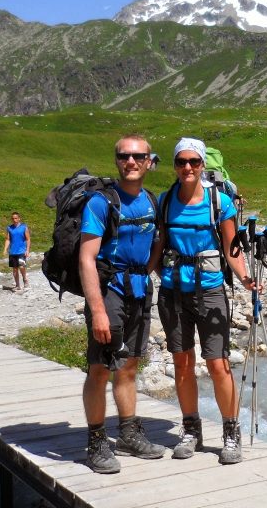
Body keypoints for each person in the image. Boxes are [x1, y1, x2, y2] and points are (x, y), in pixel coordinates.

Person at [148, 137, 258, 465]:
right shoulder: (165, 201)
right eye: (181, 162)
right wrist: (145, 273)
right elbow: (159, 245)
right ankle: (191, 430)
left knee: (218, 364)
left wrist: (246, 278)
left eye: (193, 162)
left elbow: (231, 249)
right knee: (182, 362)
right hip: (172, 291)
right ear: (174, 165)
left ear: (202, 165)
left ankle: (230, 432)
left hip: (210, 291)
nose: (187, 168)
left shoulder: (219, 202)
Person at [79, 134, 166, 474]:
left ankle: (128, 433)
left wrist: (148, 271)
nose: (130, 162)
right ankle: (97, 441)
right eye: (124, 156)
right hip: (109, 291)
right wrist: (98, 309)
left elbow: (157, 241)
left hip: (140, 292)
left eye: (138, 156)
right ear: (116, 160)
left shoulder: (151, 200)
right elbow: (87, 259)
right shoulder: (101, 203)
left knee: (128, 365)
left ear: (149, 161)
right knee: (100, 369)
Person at [4, 212, 30, 290]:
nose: (14, 220)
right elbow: (8, 239)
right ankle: (17, 285)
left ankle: (25, 279)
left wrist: (27, 250)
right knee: (15, 270)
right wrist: (5, 249)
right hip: (13, 252)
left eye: (16, 218)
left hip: (21, 251)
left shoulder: (24, 227)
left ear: (19, 218)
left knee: (22, 266)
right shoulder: (9, 228)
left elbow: (28, 239)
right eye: (13, 218)